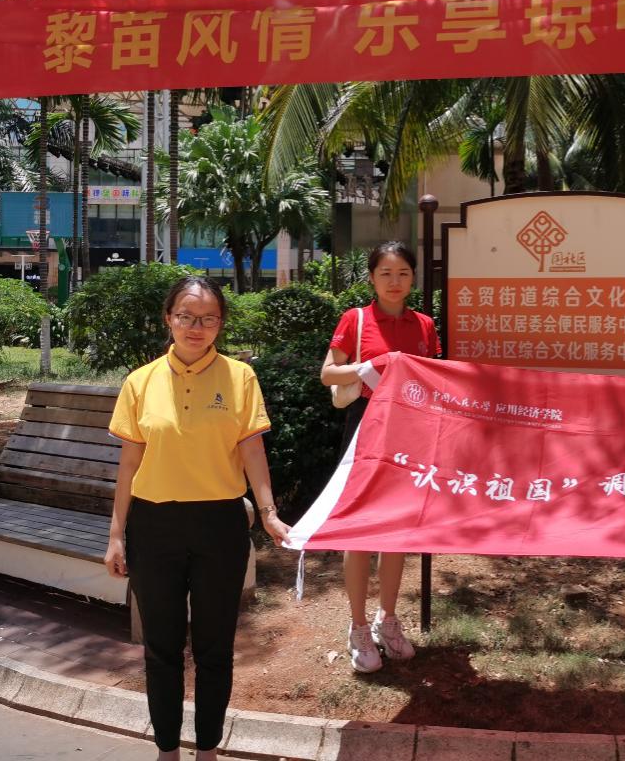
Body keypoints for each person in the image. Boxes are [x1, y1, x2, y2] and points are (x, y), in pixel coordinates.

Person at [104, 275, 288, 761]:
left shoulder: (240, 378)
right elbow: (128, 464)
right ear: (169, 318)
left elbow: (252, 451)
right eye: (186, 316)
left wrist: (268, 513)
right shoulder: (140, 382)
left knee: (214, 649)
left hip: (219, 527)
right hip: (154, 528)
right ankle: (167, 750)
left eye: (208, 318)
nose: (196, 327)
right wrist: (116, 535)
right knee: (161, 649)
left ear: (220, 324)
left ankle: (208, 750)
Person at [320, 241, 441, 673]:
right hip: (365, 428)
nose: (395, 281)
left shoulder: (424, 325)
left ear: (413, 278)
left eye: (403, 273)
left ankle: (387, 620)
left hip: (410, 431)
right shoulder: (355, 320)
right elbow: (327, 373)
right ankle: (357, 627)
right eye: (386, 273)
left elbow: (435, 379)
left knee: (396, 532)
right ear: (372, 278)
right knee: (359, 532)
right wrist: (370, 366)